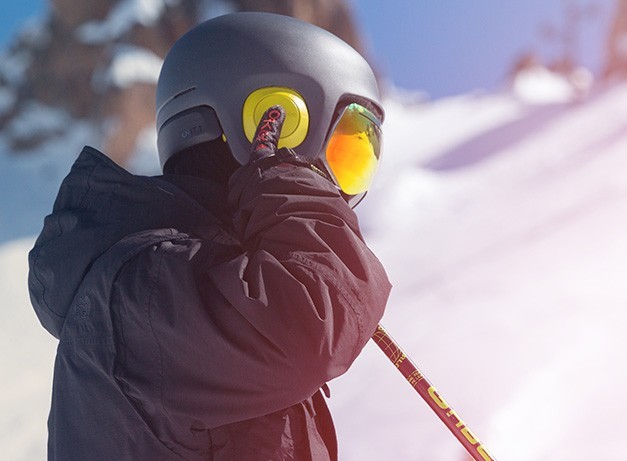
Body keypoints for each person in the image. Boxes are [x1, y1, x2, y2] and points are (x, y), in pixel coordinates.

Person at [28, 13, 390, 460]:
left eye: (357, 158)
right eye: (338, 150)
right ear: (268, 121)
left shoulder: (217, 288)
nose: (334, 186)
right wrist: (288, 184)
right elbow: (312, 323)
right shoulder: (140, 294)